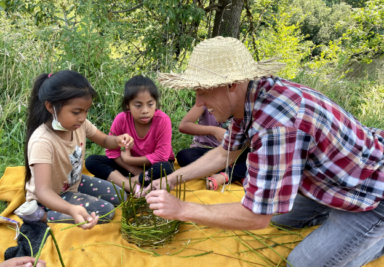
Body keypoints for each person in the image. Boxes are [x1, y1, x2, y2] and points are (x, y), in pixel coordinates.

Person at [145, 36, 384, 267]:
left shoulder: (276, 126)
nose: (198, 102)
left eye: (203, 91)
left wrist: (182, 209)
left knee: (299, 263)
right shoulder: (249, 97)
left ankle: (376, 238)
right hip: (331, 176)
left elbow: (256, 217)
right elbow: (223, 154)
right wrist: (172, 179)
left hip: (369, 190)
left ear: (231, 84)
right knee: (282, 221)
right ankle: (331, 215)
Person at [17, 70, 133, 230]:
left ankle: (68, 205)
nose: (83, 117)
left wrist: (119, 140)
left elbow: (106, 141)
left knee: (121, 195)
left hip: (72, 183)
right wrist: (71, 209)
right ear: (51, 107)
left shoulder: (79, 125)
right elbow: (43, 191)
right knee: (106, 212)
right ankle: (38, 215)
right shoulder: (42, 141)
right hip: (49, 197)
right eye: (76, 112)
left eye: (86, 111)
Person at [85, 75, 175, 195]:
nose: (145, 110)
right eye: (138, 105)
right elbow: (112, 152)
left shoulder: (163, 120)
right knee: (91, 161)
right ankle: (134, 185)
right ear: (128, 105)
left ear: (156, 103)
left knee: (166, 169)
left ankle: (123, 183)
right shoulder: (121, 119)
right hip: (131, 168)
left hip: (153, 167)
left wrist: (129, 159)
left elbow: (161, 156)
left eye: (150, 104)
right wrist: (133, 168)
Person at [177, 104, 249, 190]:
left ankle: (225, 175)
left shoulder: (242, 103)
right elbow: (184, 126)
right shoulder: (205, 100)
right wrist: (213, 131)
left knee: (258, 156)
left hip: (232, 152)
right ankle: (235, 173)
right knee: (184, 156)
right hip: (206, 150)